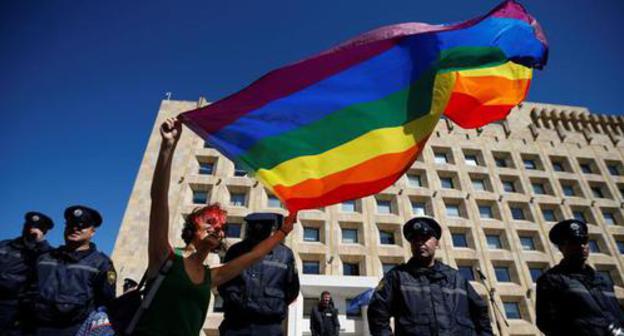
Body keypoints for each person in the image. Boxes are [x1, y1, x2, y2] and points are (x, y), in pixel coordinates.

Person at [132, 117, 295, 336]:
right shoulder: (165, 257)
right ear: (192, 226)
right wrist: (167, 147)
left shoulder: (212, 277)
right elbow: (159, 199)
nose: (217, 229)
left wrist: (283, 231)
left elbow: (255, 255)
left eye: (221, 228)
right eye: (210, 222)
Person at [368, 216, 492, 336]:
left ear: (436, 243)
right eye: (415, 239)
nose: (420, 243)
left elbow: (481, 314)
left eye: (425, 238)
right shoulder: (397, 277)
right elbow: (377, 314)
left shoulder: (456, 278)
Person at [30, 205, 116, 336]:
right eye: (71, 224)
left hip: (75, 330)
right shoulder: (44, 258)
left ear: (92, 231)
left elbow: (106, 302)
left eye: (82, 226)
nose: (75, 228)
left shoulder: (101, 263)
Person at [536, 219, 624, 335]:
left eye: (584, 240)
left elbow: (616, 314)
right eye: (574, 242)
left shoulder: (603, 281)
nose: (582, 246)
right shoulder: (551, 280)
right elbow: (546, 323)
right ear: (562, 247)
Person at [218, 213, 300, 335]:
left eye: (262, 227)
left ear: (271, 229)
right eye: (255, 227)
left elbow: (292, 289)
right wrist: (236, 299)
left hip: (269, 326)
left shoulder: (285, 254)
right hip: (236, 324)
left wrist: (271, 305)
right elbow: (223, 282)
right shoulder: (236, 250)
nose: (258, 230)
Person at [0, 211, 54, 335]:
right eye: (29, 226)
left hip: (19, 310)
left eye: (37, 228)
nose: (31, 230)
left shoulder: (47, 254)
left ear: (44, 232)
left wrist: (38, 245)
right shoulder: (4, 246)